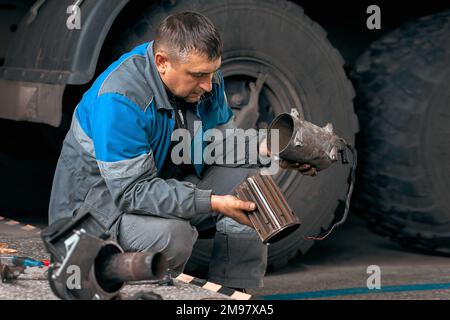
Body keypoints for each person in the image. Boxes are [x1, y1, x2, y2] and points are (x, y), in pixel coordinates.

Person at [48, 11, 314, 289]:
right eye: (198, 75)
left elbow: (218, 144)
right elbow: (132, 193)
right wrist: (211, 201)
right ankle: (153, 293)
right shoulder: (120, 100)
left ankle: (231, 294)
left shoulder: (205, 81)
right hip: (94, 216)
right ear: (162, 62)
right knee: (175, 237)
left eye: (212, 72)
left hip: (154, 186)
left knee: (250, 184)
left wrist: (271, 149)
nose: (209, 85)